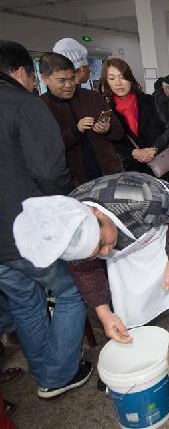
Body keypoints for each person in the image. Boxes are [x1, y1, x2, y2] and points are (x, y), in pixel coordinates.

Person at [0, 40, 91, 399]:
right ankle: (60, 372)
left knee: (25, 301)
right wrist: (71, 207)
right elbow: (49, 170)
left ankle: (43, 371)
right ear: (24, 72)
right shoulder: (24, 105)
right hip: (23, 231)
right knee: (70, 290)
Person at [14, 172, 169, 343]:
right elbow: (85, 273)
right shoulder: (67, 233)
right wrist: (105, 315)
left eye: (101, 243)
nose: (105, 253)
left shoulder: (141, 198)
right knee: (131, 304)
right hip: (131, 242)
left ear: (96, 213)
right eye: (95, 253)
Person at [39, 53, 124, 186]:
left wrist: (108, 130)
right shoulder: (40, 107)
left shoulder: (93, 98)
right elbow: (47, 149)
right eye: (61, 80)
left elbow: (119, 132)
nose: (68, 85)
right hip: (73, 181)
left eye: (72, 79)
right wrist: (75, 131)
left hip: (109, 173)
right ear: (45, 79)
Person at [101, 58, 169, 186]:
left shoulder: (149, 100)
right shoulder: (107, 109)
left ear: (130, 78)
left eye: (122, 77)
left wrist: (154, 149)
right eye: (112, 78)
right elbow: (110, 141)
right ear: (106, 82)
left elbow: (168, 128)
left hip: (161, 163)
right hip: (132, 169)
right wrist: (134, 152)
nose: (118, 83)